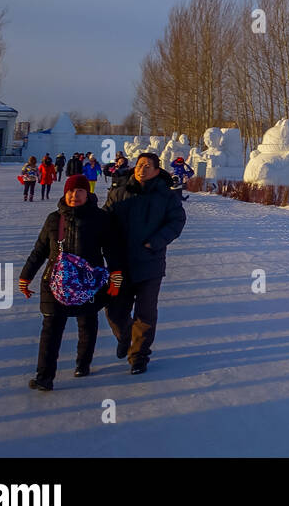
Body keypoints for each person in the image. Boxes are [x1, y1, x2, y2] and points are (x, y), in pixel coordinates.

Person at [18, 174, 121, 390]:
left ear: (87, 193)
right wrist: (26, 276)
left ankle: (83, 363)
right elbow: (40, 250)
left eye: (80, 191)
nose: (74, 195)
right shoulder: (54, 218)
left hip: (88, 282)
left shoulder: (100, 218)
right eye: (70, 191)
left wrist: (115, 278)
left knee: (87, 323)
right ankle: (44, 376)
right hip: (55, 282)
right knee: (51, 328)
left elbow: (112, 250)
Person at [103, 152, 186, 374]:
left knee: (145, 313)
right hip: (120, 263)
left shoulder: (166, 196)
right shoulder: (119, 193)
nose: (143, 169)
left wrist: (156, 242)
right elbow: (104, 221)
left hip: (150, 263)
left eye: (148, 166)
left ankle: (139, 356)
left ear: (157, 171)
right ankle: (125, 336)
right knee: (114, 311)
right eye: (140, 165)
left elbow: (177, 221)